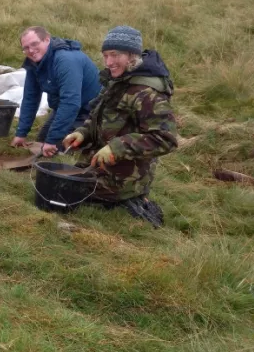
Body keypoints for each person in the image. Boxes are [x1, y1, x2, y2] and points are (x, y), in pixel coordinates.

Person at [62, 26, 178, 227]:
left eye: (115, 55)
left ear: (131, 55)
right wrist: (82, 132)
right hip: (97, 167)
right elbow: (98, 117)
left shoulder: (147, 93)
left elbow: (166, 139)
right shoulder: (118, 82)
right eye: (105, 55)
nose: (109, 62)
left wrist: (117, 147)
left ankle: (131, 200)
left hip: (124, 180)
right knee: (59, 182)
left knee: (65, 191)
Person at [11, 26, 102, 157]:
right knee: (42, 142)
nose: (31, 50)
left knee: (56, 150)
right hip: (64, 108)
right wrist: (21, 133)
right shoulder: (33, 63)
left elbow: (71, 102)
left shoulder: (65, 60)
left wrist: (53, 140)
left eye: (35, 44)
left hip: (90, 111)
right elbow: (30, 98)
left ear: (47, 40)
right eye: (25, 48)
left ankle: (95, 140)